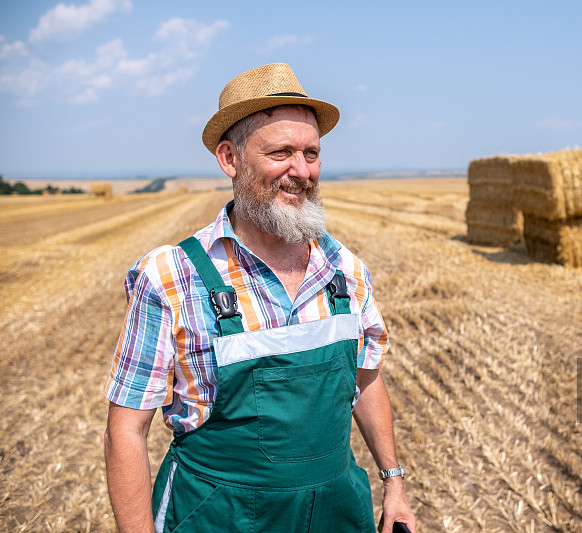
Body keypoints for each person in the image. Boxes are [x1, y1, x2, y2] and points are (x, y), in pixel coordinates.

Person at [103, 63, 416, 533]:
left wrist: (393, 484)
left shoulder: (344, 270)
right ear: (229, 159)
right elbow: (125, 430)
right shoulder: (171, 276)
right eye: (281, 152)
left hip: (337, 511)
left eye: (311, 153)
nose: (301, 170)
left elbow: (366, 381)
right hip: (218, 516)